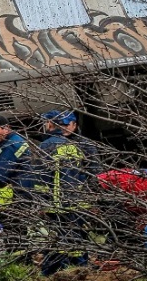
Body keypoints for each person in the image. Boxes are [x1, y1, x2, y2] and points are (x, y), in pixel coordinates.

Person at [30, 109, 98, 276]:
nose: (65, 128)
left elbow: (40, 178)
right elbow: (95, 175)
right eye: (63, 125)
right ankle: (76, 270)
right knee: (73, 240)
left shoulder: (48, 145)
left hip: (62, 205)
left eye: (68, 125)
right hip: (71, 205)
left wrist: (41, 204)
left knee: (62, 241)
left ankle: (61, 272)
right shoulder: (85, 145)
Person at [0, 117, 32, 254]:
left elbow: (0, 175)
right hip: (23, 190)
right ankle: (22, 258)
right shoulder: (17, 140)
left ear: (6, 127)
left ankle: (18, 260)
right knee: (20, 229)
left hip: (16, 194)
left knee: (14, 230)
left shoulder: (10, 146)